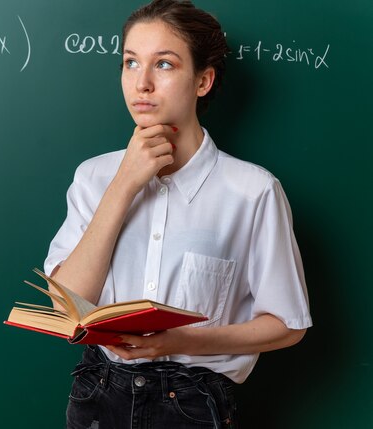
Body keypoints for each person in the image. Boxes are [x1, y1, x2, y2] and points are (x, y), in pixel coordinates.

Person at [43, 0, 312, 428]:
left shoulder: (253, 191)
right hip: (98, 393)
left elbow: (288, 324)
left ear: (203, 81)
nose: (142, 83)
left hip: (192, 403)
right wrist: (123, 186)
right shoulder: (94, 177)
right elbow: (66, 307)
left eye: (163, 65)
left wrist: (182, 340)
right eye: (130, 63)